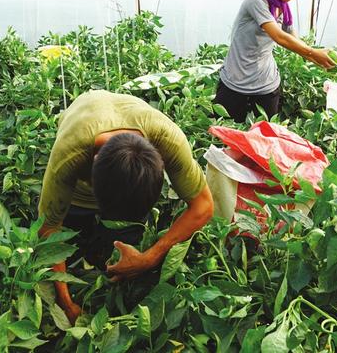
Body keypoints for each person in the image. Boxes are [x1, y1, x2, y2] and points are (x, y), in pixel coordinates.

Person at [37, 90, 214, 324]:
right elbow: (49, 228)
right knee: (72, 241)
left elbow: (203, 205)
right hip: (82, 137)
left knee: (124, 255)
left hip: (124, 123)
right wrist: (66, 304)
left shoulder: (168, 139)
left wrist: (152, 256)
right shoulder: (70, 154)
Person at [215, 0, 336, 122]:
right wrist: (313, 52)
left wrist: (318, 59)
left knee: (266, 136)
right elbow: (279, 37)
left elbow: (293, 39)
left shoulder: (282, 7)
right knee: (225, 133)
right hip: (236, 82)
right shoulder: (256, 0)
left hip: (266, 83)